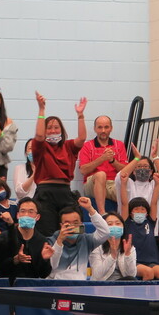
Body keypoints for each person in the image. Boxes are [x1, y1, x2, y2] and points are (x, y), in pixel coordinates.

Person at [31, 91, 87, 237]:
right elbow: (39, 136)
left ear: (61, 130)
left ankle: (72, 257)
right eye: (49, 127)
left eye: (56, 127)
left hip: (65, 192)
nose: (53, 130)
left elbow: (82, 138)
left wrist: (80, 115)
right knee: (48, 233)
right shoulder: (41, 147)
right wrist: (41, 109)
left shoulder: (68, 146)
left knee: (73, 231)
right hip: (45, 192)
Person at [77, 115, 129, 215]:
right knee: (101, 175)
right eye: (100, 127)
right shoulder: (87, 146)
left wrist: (112, 160)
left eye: (106, 127)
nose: (103, 130)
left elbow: (125, 170)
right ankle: (102, 213)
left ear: (111, 128)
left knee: (130, 185)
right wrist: (102, 158)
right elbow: (83, 170)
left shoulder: (119, 145)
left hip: (113, 184)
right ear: (95, 129)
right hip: (92, 184)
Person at [47, 198, 109, 280]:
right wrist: (59, 241)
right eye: (67, 224)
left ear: (81, 225)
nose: (72, 227)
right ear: (61, 225)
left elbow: (105, 232)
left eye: (76, 223)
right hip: (56, 286)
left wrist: (90, 209)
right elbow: (52, 266)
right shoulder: (50, 241)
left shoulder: (86, 240)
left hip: (79, 286)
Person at [0, 196, 52, 282]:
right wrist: (15, 260)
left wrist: (44, 260)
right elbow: (0, 268)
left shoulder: (42, 241)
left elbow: (43, 274)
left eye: (31, 212)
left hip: (32, 287)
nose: (26, 215)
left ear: (37, 217)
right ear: (18, 215)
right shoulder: (5, 237)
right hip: (8, 286)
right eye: (23, 211)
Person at [116, 140, 159, 221]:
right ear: (133, 171)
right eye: (139, 166)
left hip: (153, 229)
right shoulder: (128, 183)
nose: (142, 169)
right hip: (130, 227)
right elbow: (121, 175)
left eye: (145, 166)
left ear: (151, 171)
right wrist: (137, 158)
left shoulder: (155, 184)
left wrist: (155, 157)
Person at [123, 197, 159, 281]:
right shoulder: (127, 223)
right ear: (130, 212)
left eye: (143, 209)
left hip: (151, 261)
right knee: (148, 272)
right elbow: (124, 203)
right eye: (136, 209)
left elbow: (154, 203)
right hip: (135, 261)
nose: (140, 212)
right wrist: (123, 185)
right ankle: (146, 294)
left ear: (147, 213)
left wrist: (157, 185)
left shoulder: (150, 223)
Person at [89, 212, 137, 281]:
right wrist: (112, 256)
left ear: (123, 226)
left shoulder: (129, 247)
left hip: (123, 286)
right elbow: (97, 275)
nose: (114, 226)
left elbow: (131, 275)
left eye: (118, 223)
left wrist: (127, 255)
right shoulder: (96, 247)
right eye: (109, 224)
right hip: (102, 285)